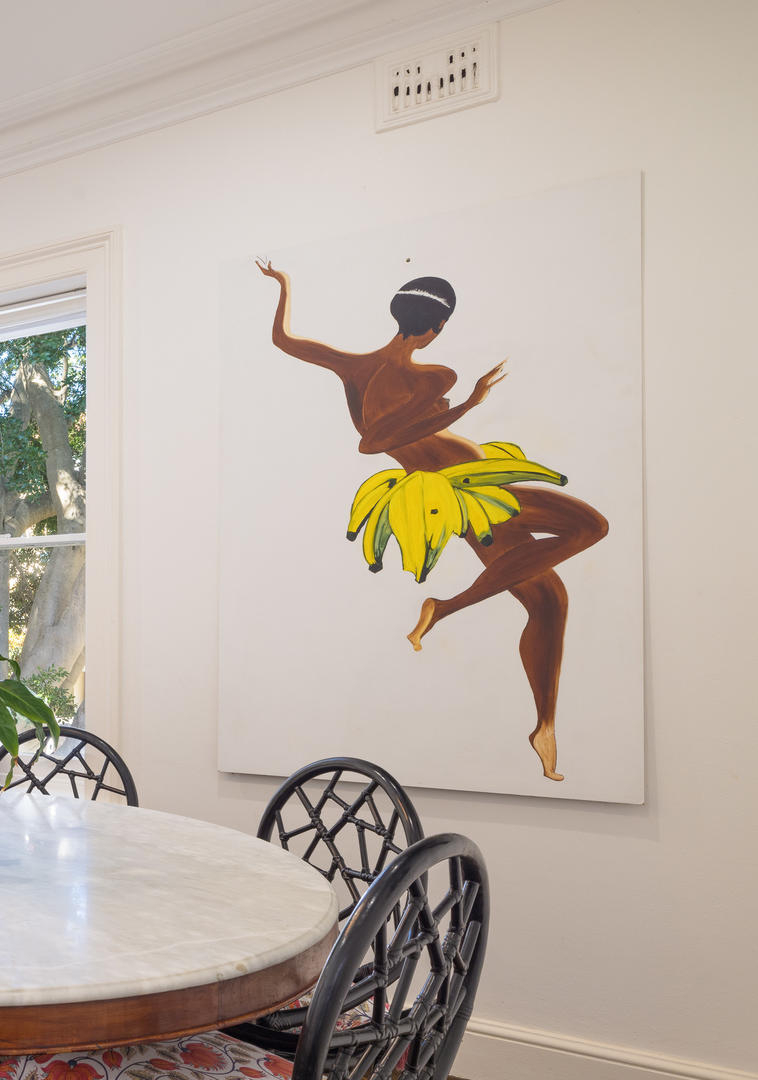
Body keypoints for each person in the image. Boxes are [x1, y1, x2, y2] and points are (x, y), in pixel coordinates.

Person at [256, 260, 607, 781]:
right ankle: (446, 607)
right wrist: (466, 404)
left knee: (549, 599)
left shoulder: (354, 366)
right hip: (464, 490)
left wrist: (282, 286)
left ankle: (544, 726)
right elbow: (376, 440)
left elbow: (284, 340)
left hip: (462, 488)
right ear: (438, 325)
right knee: (589, 527)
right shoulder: (434, 377)